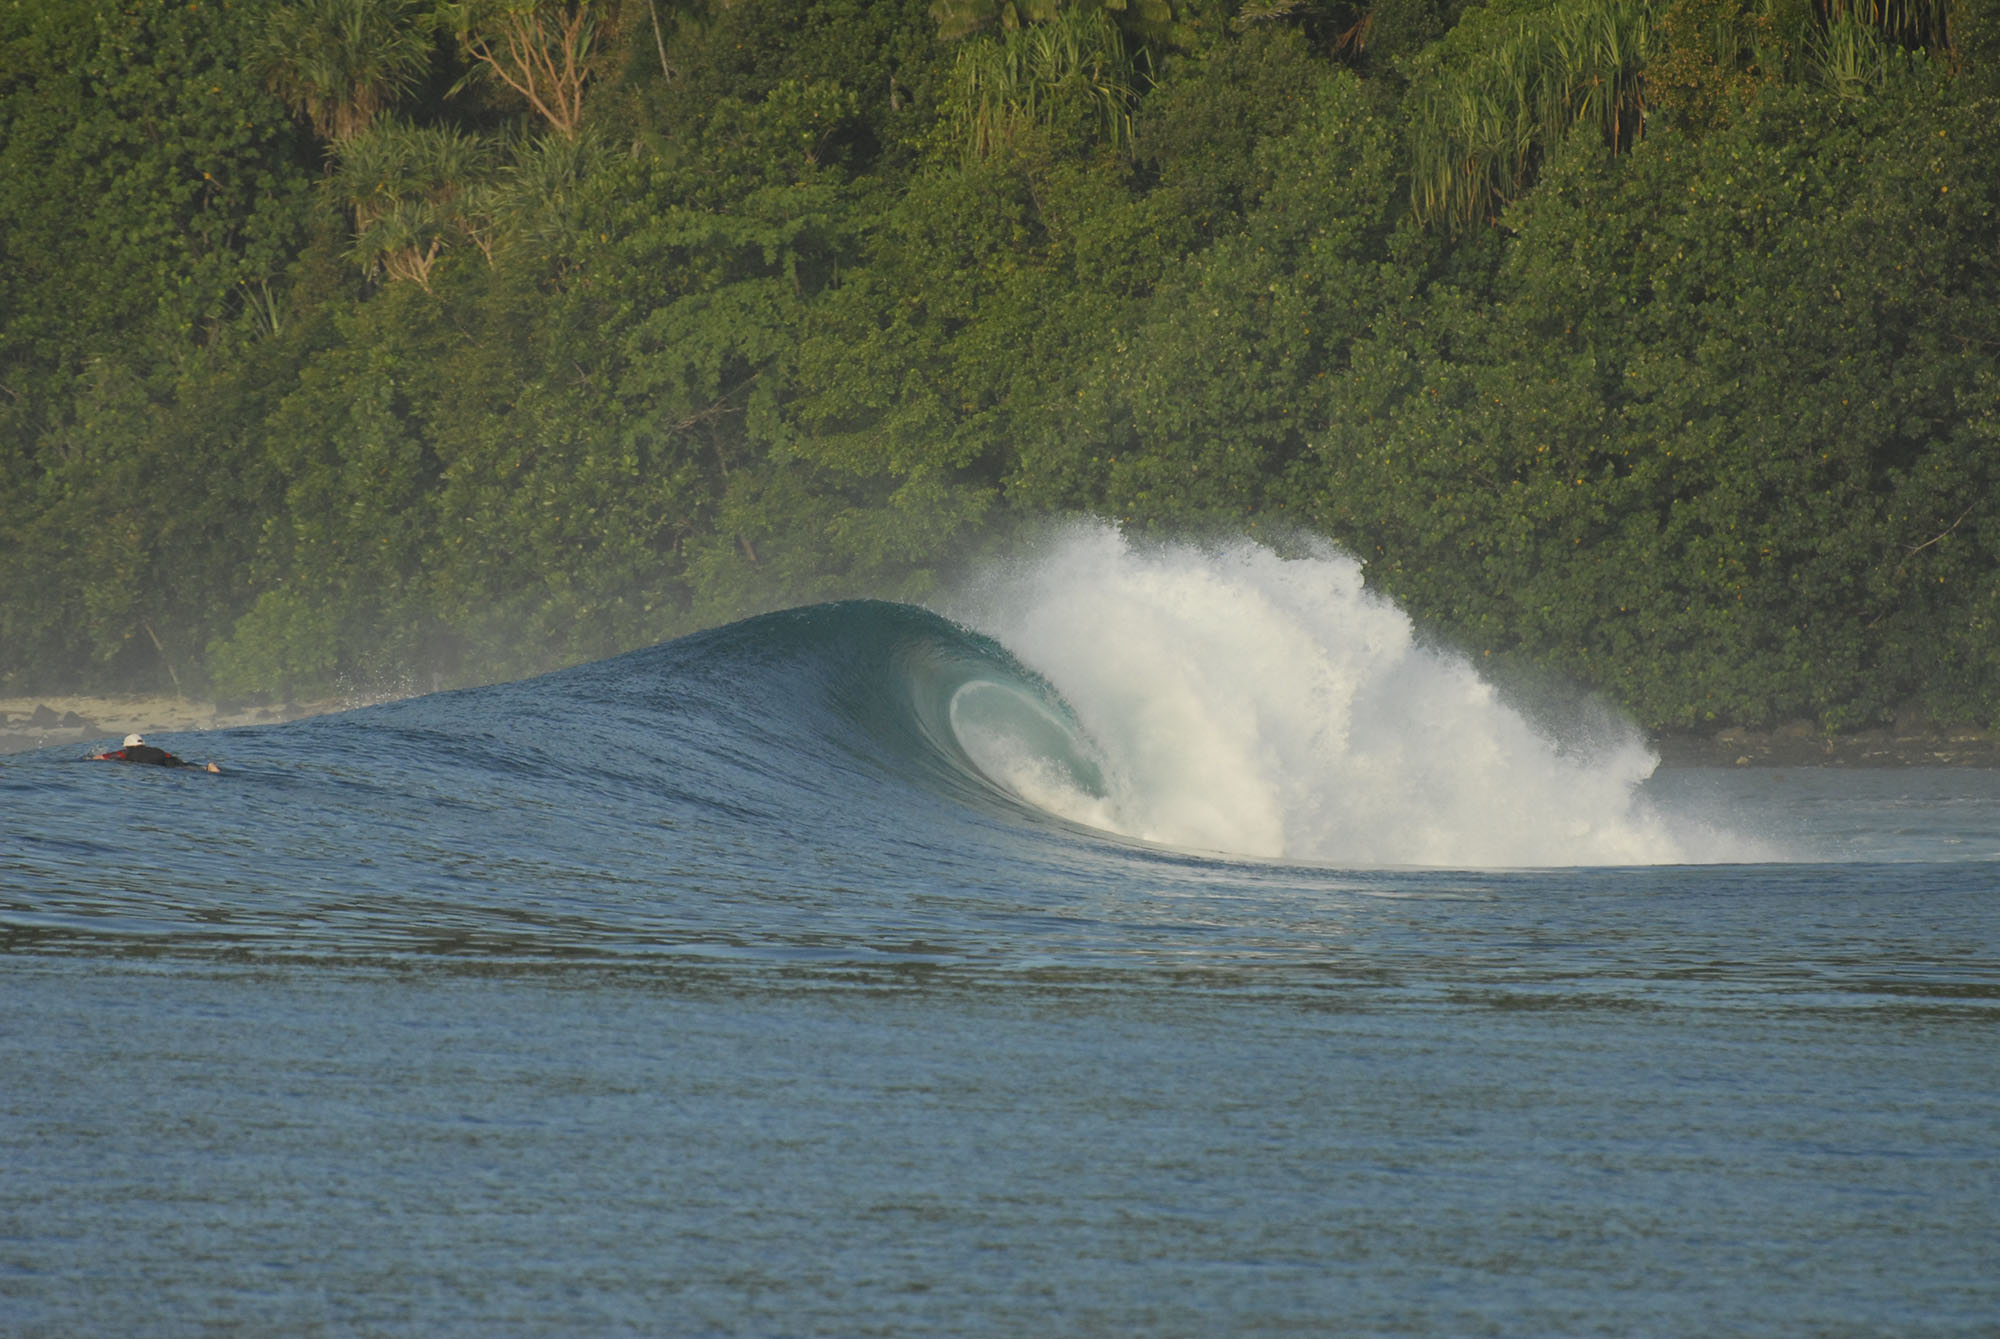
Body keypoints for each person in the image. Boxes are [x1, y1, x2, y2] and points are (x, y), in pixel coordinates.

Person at [93, 733, 221, 773]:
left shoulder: (126, 753)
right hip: (167, 759)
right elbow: (169, 756)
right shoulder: (155, 749)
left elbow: (102, 757)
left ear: (127, 745)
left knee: (181, 769)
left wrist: (92, 758)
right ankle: (205, 768)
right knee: (183, 766)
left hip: (155, 764)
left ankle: (205, 769)